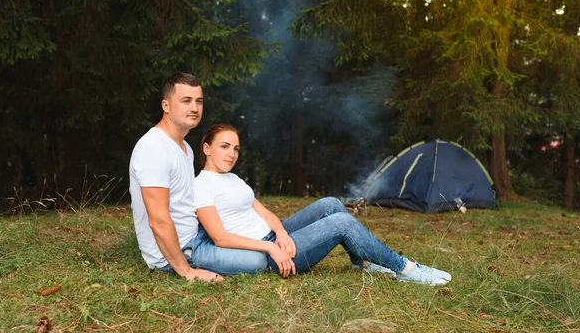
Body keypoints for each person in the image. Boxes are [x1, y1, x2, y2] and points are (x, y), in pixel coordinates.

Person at [193, 123, 452, 285]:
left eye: (236, 148)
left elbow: (264, 211)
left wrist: (281, 233)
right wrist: (271, 248)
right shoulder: (201, 185)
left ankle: (361, 261)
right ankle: (405, 269)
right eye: (224, 147)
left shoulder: (233, 178)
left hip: (275, 237)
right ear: (206, 149)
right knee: (341, 222)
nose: (231, 154)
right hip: (268, 255)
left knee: (330, 203)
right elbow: (220, 238)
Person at [129, 73, 268, 282]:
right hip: (180, 250)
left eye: (199, 101)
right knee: (258, 261)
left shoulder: (184, 148)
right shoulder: (153, 148)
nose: (194, 108)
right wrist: (187, 271)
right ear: (166, 106)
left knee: (256, 237)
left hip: (197, 234)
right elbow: (158, 220)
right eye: (186, 101)